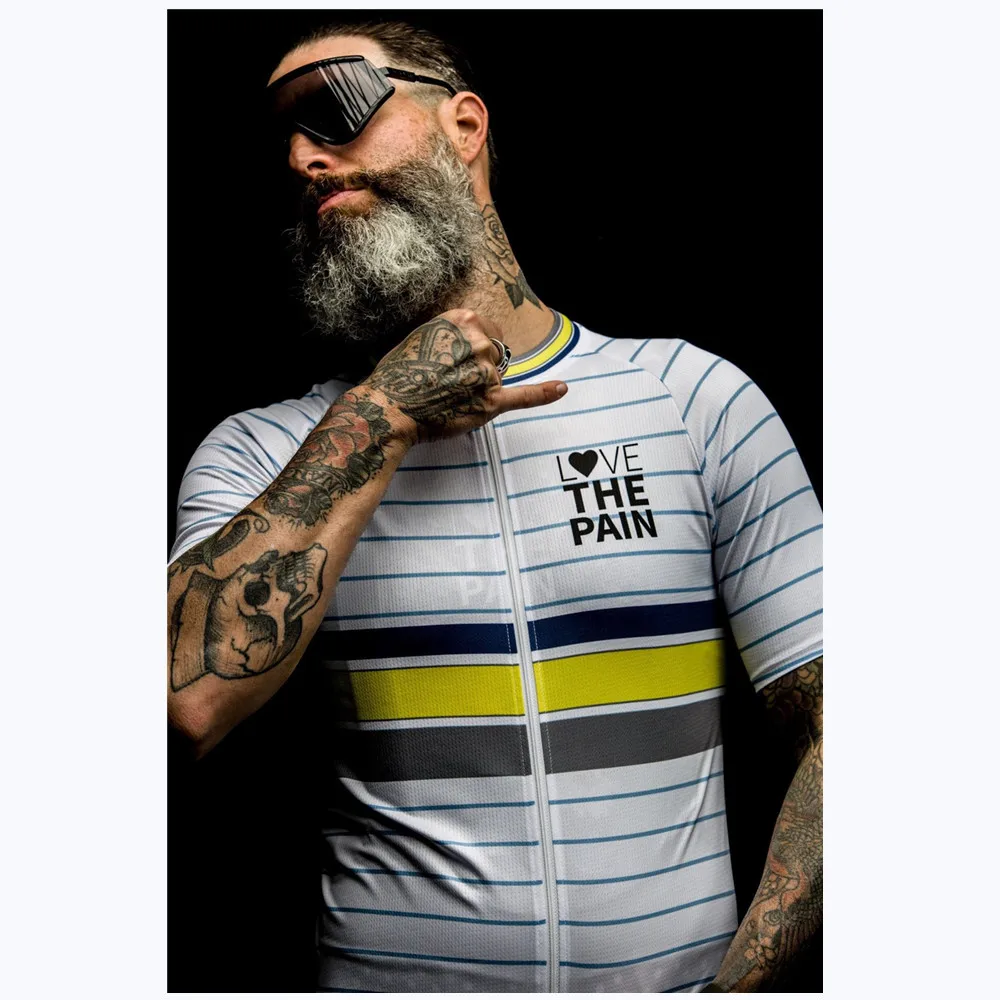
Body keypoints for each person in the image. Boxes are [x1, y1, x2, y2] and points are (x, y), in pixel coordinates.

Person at [168, 20, 823, 993]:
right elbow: (183, 702)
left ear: (464, 126)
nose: (303, 155)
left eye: (333, 108)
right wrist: (383, 413)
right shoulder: (264, 452)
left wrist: (737, 988)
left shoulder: (695, 403)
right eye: (285, 137)